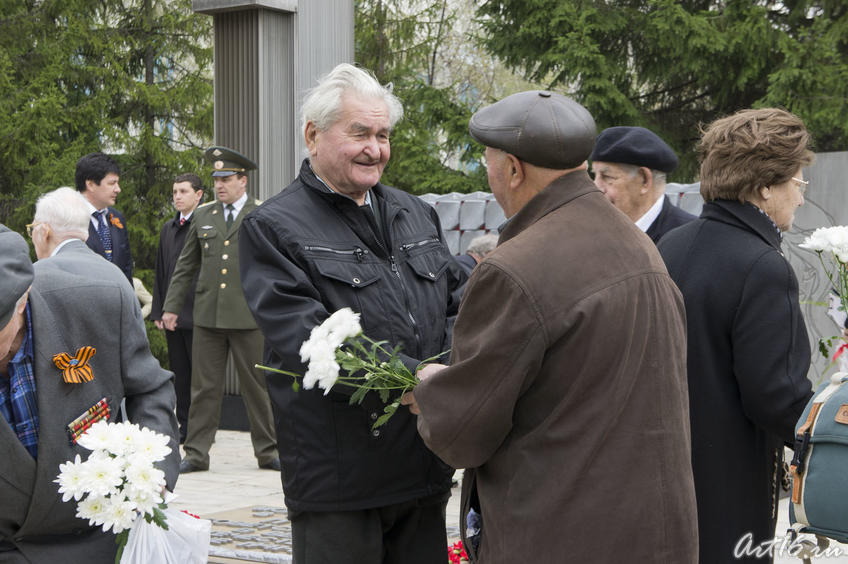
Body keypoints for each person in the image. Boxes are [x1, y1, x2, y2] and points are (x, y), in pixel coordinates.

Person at [401, 90, 698, 563]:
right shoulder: (639, 245)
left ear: (514, 169)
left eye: (489, 163)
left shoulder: (513, 267)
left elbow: (465, 432)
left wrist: (433, 387)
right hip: (651, 532)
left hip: (559, 530)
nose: (490, 175)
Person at [239, 63, 466, 564]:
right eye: (359, 132)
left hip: (424, 469)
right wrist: (418, 380)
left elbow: (459, 305)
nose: (375, 148)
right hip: (340, 484)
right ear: (313, 135)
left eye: (383, 134)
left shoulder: (416, 213)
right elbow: (309, 339)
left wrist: (448, 376)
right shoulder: (273, 228)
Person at [657, 108, 815, 563]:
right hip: (728, 484)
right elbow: (777, 398)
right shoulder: (763, 267)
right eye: (797, 184)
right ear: (766, 186)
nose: (800, 199)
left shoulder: (672, 244)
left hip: (667, 475)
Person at [0, 220, 179, 560]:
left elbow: (150, 389)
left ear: (21, 301)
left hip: (94, 540)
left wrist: (155, 473)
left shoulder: (95, 302)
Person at [162, 147, 278, 473]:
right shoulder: (204, 215)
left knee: (257, 386)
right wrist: (171, 307)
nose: (220, 185)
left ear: (243, 181)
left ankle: (268, 451)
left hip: (248, 316)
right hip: (208, 316)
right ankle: (197, 454)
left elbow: (272, 266)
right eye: (216, 180)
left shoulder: (260, 213)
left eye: (227, 179)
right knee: (203, 390)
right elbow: (186, 266)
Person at [150, 172, 205, 443]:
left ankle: (201, 430)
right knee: (180, 376)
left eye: (183, 191)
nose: (177, 197)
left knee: (201, 377)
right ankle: (184, 427)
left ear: (199, 194)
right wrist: (158, 311)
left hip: (198, 314)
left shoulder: (205, 226)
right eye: (174, 192)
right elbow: (162, 272)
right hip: (172, 318)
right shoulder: (168, 229)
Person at [590, 126, 696, 243]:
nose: (595, 187)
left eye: (607, 177)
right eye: (595, 175)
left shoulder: (690, 239)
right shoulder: (593, 233)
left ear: (644, 180)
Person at [75, 152, 133, 282]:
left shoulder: (117, 218)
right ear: (90, 184)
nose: (118, 189)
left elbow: (126, 266)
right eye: (112, 183)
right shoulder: (67, 217)